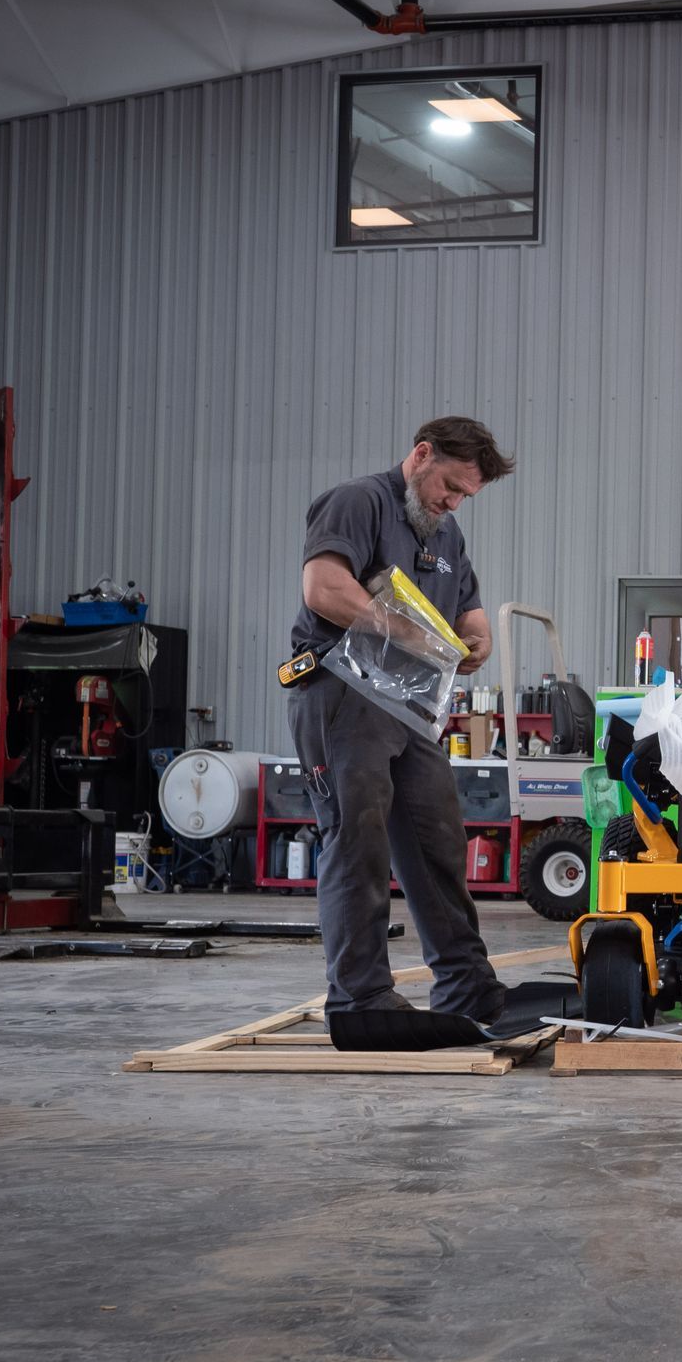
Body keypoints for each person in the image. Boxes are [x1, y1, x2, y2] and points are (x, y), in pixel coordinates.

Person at [287, 416, 514, 1022]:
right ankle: (361, 1000)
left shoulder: (445, 533)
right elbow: (323, 587)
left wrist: (476, 641)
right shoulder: (359, 502)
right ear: (420, 455)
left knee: (437, 840)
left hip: (409, 709)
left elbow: (472, 613)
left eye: (466, 495)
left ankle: (467, 986)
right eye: (451, 485)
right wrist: (408, 633)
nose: (454, 501)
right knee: (357, 841)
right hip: (342, 695)